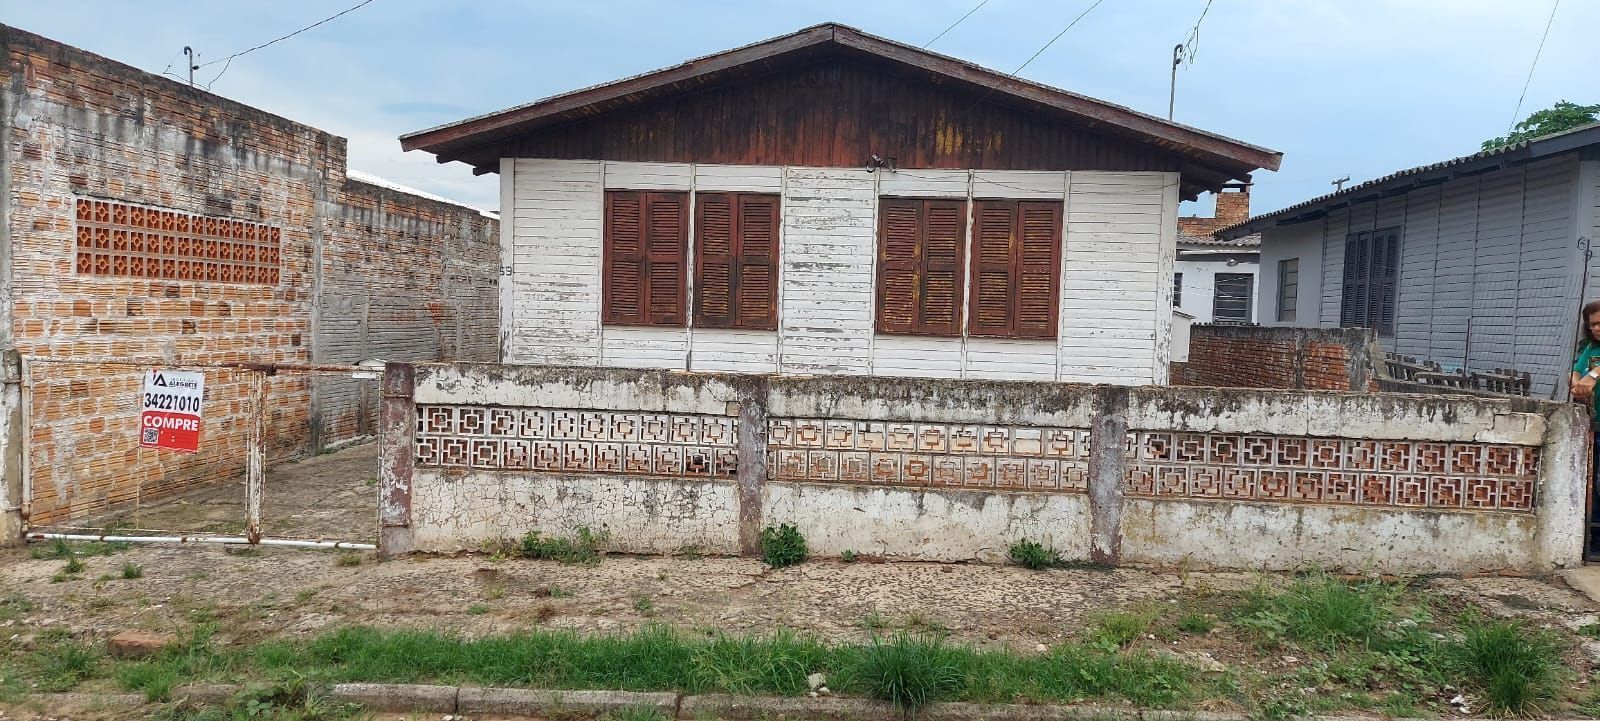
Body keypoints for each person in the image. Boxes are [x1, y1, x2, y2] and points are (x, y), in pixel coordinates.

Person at [1572, 300, 1600, 423]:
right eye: (1593, 324)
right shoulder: (1591, 347)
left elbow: (1593, 375)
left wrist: (1593, 375)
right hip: (1590, 422)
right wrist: (1577, 386)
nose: (1596, 328)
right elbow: (1575, 372)